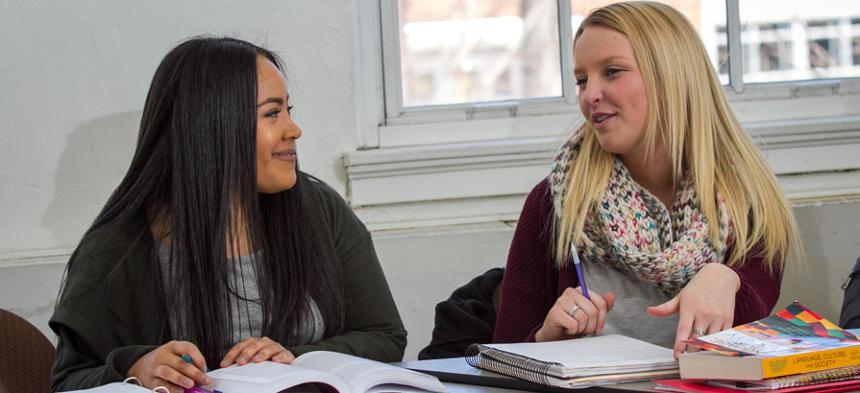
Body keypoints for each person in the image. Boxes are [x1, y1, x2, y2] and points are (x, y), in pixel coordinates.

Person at [49, 37, 406, 392]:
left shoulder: (320, 210)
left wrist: (295, 358)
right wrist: (136, 369)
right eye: (272, 113)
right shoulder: (118, 247)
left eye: (288, 111)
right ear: (213, 126)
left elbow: (385, 337)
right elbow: (68, 381)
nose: (294, 130)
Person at [493, 1, 801, 358]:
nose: (590, 94)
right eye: (581, 79)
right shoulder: (553, 203)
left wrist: (726, 280)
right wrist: (547, 339)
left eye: (611, 71)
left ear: (671, 78)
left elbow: (748, 340)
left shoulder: (747, 201)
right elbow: (505, 358)